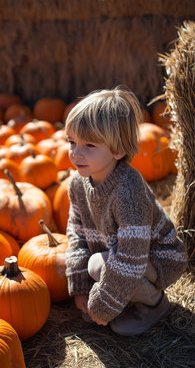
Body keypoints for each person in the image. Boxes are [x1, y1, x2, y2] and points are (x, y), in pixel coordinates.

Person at [65, 86, 187, 336]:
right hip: (119, 256)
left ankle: (154, 303)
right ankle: (125, 296)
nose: (76, 153)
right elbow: (76, 233)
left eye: (89, 145)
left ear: (118, 150)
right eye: (72, 142)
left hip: (157, 258)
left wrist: (101, 306)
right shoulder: (78, 183)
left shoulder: (128, 192)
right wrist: (80, 286)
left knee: (98, 264)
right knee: (93, 265)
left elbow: (132, 257)